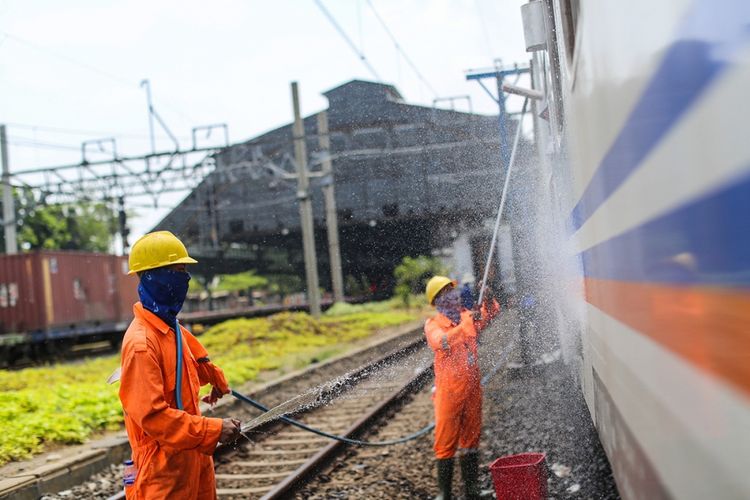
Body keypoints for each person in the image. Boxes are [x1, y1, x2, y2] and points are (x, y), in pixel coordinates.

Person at [118, 231, 241, 499]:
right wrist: (212, 429)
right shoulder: (141, 344)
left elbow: (191, 354)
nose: (184, 279)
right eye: (178, 271)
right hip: (162, 469)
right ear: (154, 276)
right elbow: (153, 417)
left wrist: (214, 376)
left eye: (185, 270)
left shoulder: (169, 327)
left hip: (192, 457)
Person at [424, 275, 489, 500]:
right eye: (444, 294)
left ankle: (471, 490)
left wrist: (487, 300)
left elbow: (487, 316)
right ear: (437, 302)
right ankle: (444, 494)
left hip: (472, 389)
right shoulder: (433, 325)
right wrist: (467, 324)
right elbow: (441, 342)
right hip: (449, 392)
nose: (451, 295)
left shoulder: (466, 316)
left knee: (471, 439)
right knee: (445, 442)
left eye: (451, 290)